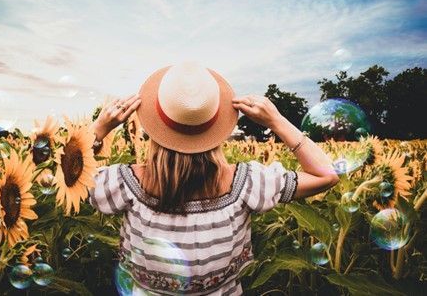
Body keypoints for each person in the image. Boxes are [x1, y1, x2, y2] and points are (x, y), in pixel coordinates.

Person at [89, 62, 339, 295]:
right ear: (216, 127)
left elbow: (63, 175)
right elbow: (326, 175)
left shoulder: (124, 183)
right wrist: (277, 121)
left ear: (156, 127)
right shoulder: (247, 183)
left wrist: (98, 129)